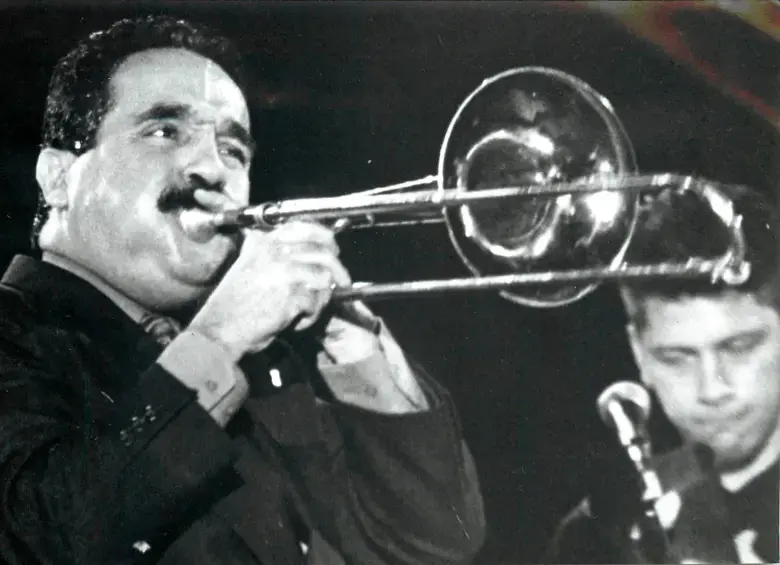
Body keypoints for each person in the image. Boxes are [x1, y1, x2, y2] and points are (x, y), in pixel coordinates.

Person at [0, 15, 486, 565]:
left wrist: (354, 350)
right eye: (164, 131)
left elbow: (437, 541)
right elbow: (41, 539)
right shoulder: (16, 332)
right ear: (57, 178)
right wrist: (220, 336)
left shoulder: (270, 364)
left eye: (233, 149)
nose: (213, 168)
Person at [548, 183, 780, 563]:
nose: (712, 389)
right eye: (677, 357)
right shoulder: (598, 534)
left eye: (739, 347)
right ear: (639, 354)